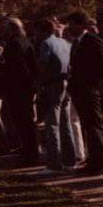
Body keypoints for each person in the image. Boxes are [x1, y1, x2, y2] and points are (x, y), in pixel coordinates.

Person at [66, 11, 103, 176]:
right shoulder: (77, 43)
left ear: (81, 25)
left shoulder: (92, 41)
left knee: (94, 126)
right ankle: (93, 160)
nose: (69, 27)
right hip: (80, 90)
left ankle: (101, 163)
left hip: (90, 90)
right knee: (88, 127)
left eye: (72, 24)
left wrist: (91, 86)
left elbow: (100, 65)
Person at [35, 18, 75, 174]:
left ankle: (54, 164)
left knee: (52, 125)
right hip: (65, 83)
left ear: (45, 31)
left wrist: (39, 85)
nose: (36, 34)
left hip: (52, 85)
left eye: (38, 30)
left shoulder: (46, 44)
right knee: (66, 124)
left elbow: (43, 66)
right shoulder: (65, 43)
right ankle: (70, 161)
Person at [0, 17, 39, 165]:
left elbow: (16, 68)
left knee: (24, 123)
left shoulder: (14, 44)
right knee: (27, 122)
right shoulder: (25, 41)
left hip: (18, 88)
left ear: (12, 29)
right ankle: (30, 151)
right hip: (25, 87)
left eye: (6, 29)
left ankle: (30, 154)